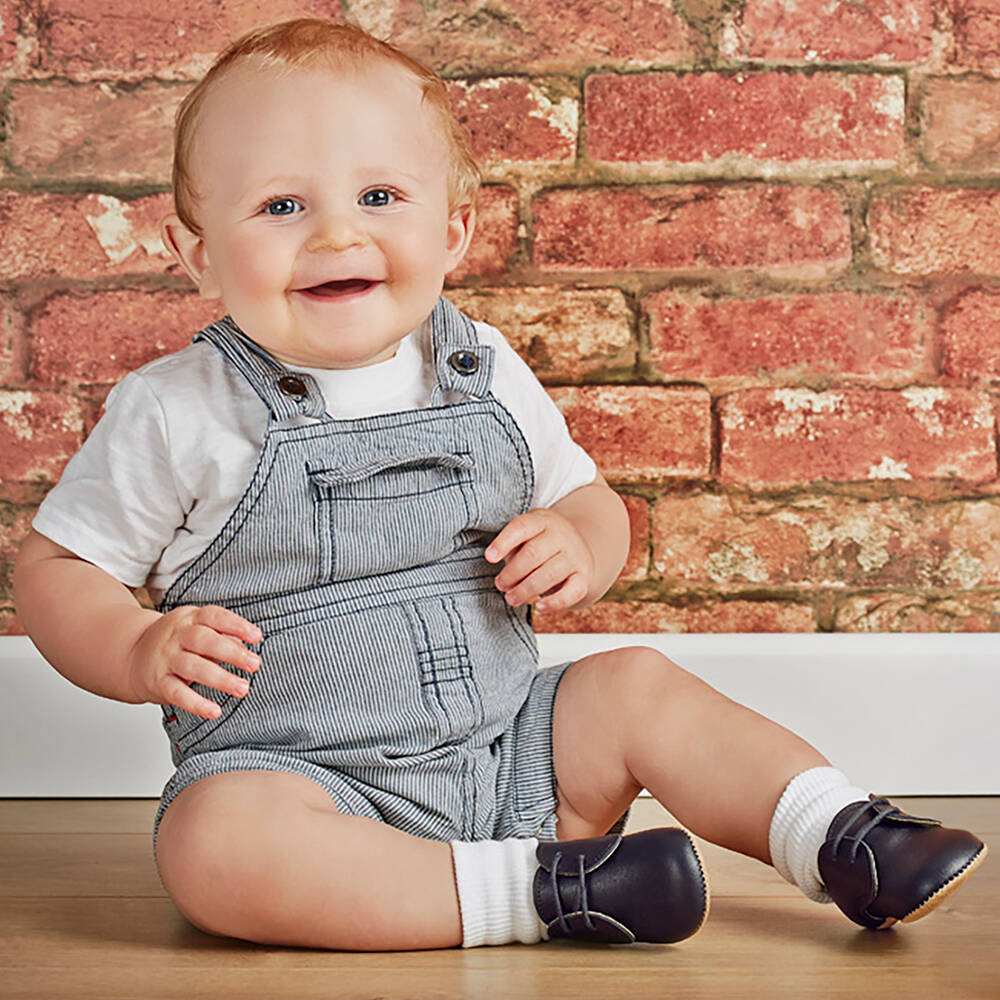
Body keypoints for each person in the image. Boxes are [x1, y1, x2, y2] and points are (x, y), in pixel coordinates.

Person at [13, 18, 986, 952]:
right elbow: (58, 568)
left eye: (381, 197)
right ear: (195, 256)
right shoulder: (179, 409)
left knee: (632, 685)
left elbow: (588, 503)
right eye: (280, 205)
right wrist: (135, 645)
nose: (336, 235)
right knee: (210, 841)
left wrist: (578, 542)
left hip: (512, 757)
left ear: (453, 231)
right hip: (302, 783)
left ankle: (840, 835)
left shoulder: (482, 369)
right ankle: (542, 894)